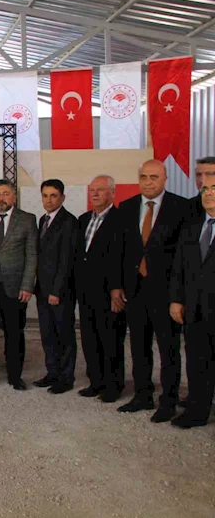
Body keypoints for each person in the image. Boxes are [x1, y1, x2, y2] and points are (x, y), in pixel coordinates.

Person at [110, 159, 188, 423]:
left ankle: (168, 401)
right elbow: (119, 251)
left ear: (165, 179)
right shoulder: (128, 207)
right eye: (144, 176)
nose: (148, 181)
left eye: (154, 177)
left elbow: (183, 257)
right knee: (139, 346)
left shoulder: (182, 207)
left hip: (166, 292)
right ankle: (142, 395)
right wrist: (116, 286)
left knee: (168, 349)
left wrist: (179, 296)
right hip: (135, 290)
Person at [0, 179, 37, 390]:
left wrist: (28, 285)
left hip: (15, 286)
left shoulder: (28, 220)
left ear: (14, 197)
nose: (1, 197)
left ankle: (14, 376)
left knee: (14, 334)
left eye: (5, 193)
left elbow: (31, 255)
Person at [169, 174, 215, 428]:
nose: (208, 192)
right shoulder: (192, 227)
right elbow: (179, 268)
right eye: (205, 188)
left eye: (214, 188)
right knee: (198, 362)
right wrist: (176, 300)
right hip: (195, 309)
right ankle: (197, 412)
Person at [76, 176, 127, 403]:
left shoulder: (122, 220)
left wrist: (118, 289)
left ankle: (113, 386)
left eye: (100, 190)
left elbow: (123, 258)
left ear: (112, 193)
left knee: (111, 339)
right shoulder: (83, 219)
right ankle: (95, 381)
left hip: (109, 293)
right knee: (90, 338)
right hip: (86, 292)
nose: (95, 194)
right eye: (92, 190)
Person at [34, 179, 78, 394]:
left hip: (59, 292)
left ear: (62, 197)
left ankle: (66, 377)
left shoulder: (69, 221)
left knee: (64, 335)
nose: (49, 200)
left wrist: (56, 291)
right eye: (45, 195)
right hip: (42, 290)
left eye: (53, 195)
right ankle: (52, 372)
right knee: (48, 334)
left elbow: (66, 260)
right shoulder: (43, 220)